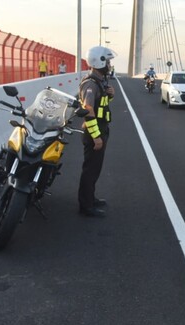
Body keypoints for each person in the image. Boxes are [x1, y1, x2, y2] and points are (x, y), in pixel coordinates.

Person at [77, 46, 116, 217]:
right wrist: (97, 137)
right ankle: (85, 206)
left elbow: (101, 105)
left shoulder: (100, 81)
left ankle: (90, 198)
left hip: (101, 128)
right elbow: (88, 109)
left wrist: (110, 95)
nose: (109, 64)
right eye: (107, 61)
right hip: (94, 131)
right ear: (99, 61)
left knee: (95, 169)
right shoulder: (91, 83)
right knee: (90, 170)